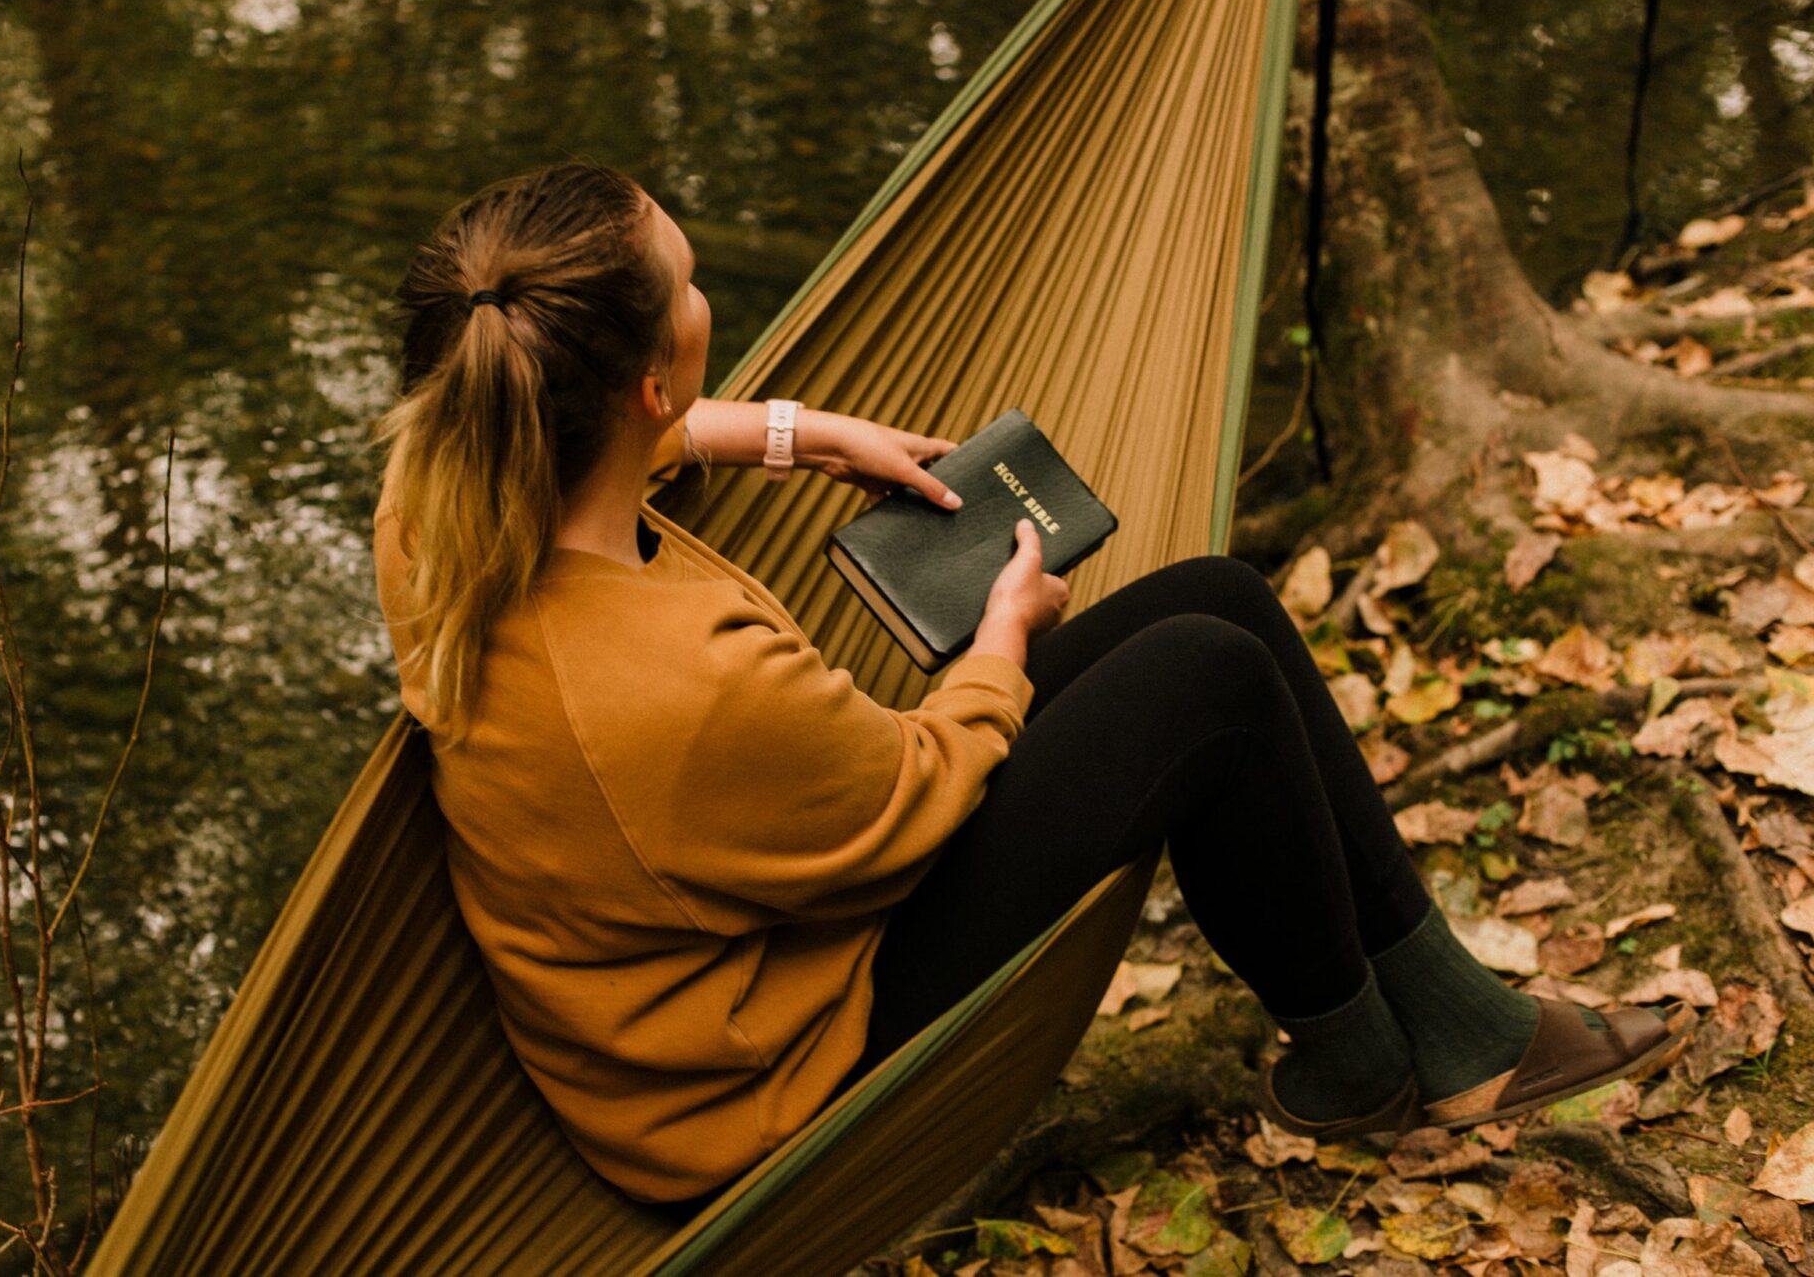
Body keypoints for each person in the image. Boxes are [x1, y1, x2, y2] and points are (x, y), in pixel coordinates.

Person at [369, 160, 1694, 1208]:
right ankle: (1358, 1061)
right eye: (692, 281)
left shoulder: (443, 510)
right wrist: (1002, 631)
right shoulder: (686, 687)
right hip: (767, 1058)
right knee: (1210, 679)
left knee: (1219, 597)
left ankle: (1451, 1025)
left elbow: (604, 425)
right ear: (648, 378)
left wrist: (792, 433)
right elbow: (913, 790)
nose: (708, 295)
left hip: (730, 940)